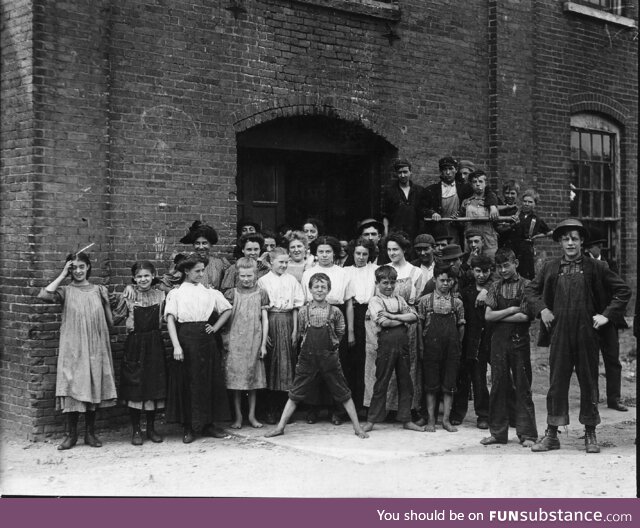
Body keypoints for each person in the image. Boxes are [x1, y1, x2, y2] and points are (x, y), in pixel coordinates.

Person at [526, 219, 631, 453]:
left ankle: (590, 433)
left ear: (582, 241)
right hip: (560, 333)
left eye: (574, 238)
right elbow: (531, 290)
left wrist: (606, 316)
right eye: (566, 239)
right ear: (560, 242)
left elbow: (623, 291)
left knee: (588, 381)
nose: (570, 243)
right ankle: (552, 434)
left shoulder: (597, 267)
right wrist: (542, 309)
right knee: (557, 383)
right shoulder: (551, 267)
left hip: (587, 334)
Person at [264, 273, 369, 439]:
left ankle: (357, 428)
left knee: (343, 392)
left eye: (323, 287)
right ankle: (280, 427)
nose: (320, 290)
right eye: (316, 287)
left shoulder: (335, 311)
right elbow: (300, 333)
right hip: (307, 358)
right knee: (295, 392)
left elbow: (340, 331)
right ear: (310, 289)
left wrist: (332, 346)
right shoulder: (304, 311)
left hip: (329, 358)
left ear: (329, 290)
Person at [37, 252, 117, 450]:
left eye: (82, 266)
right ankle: (71, 435)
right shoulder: (65, 291)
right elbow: (44, 294)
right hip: (72, 346)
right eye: (74, 267)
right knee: (71, 386)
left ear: (88, 267)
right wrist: (63, 273)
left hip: (96, 346)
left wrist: (106, 301)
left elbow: (110, 321)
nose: (79, 271)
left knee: (93, 384)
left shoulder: (99, 290)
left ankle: (90, 434)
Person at [164, 253, 232, 443]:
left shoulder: (209, 292)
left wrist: (216, 327)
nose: (202, 274)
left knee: (209, 380)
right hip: (185, 338)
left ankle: (208, 424)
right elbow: (170, 319)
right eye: (197, 271)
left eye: (203, 270)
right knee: (189, 382)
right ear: (186, 271)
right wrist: (177, 346)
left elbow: (227, 309)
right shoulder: (176, 293)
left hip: (206, 339)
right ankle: (189, 427)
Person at [480, 249, 538, 447]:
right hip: (498, 342)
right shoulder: (495, 287)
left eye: (507, 265)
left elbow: (525, 316)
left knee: (522, 386)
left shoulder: (527, 286)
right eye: (499, 266)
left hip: (519, 341)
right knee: (498, 386)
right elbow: (487, 316)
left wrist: (501, 314)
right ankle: (497, 433)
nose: (503, 270)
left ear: (516, 263)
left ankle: (527, 434)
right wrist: (512, 309)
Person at [364, 232, 423, 416]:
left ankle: (407, 410)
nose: (392, 253)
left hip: (407, 323)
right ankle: (385, 410)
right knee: (383, 366)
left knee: (407, 367)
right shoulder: (383, 269)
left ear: (404, 249)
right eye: (389, 249)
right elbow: (377, 301)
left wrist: (398, 316)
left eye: (395, 249)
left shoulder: (416, 272)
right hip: (385, 325)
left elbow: (417, 303)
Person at [112, 261, 167, 446]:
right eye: (139, 276)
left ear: (153, 276)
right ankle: (136, 429)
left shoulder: (161, 295)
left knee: (153, 386)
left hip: (155, 344)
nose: (143, 279)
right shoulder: (128, 296)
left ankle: (151, 428)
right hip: (135, 344)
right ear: (134, 278)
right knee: (134, 386)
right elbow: (114, 319)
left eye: (146, 275)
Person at [301, 236, 355, 424]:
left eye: (328, 251)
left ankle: (337, 411)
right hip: (314, 320)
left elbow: (348, 303)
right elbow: (305, 303)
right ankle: (312, 409)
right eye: (321, 251)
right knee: (313, 367)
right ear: (316, 253)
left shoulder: (342, 273)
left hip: (335, 319)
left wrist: (350, 332)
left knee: (336, 368)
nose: (324, 255)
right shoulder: (308, 273)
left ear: (334, 253)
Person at [257, 248, 305, 423]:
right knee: (272, 364)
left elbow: (295, 307)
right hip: (270, 321)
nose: (284, 265)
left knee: (288, 365)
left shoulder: (291, 280)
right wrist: (265, 332)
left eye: (286, 262)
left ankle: (285, 410)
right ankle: (270, 409)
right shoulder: (262, 281)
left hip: (288, 321)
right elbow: (261, 310)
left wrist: (295, 330)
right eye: (280, 262)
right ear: (271, 263)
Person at [417, 263, 465, 432]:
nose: (445, 284)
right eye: (442, 280)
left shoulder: (457, 303)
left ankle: (445, 420)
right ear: (435, 279)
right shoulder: (425, 301)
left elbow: (461, 325)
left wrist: (457, 344)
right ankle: (431, 420)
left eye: (449, 281)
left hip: (451, 348)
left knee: (449, 384)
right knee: (431, 384)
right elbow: (420, 326)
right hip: (431, 347)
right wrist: (421, 346)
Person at [223, 258, 269, 429]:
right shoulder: (231, 294)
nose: (246, 279)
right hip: (235, 342)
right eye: (243, 276)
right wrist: (226, 339)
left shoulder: (262, 293)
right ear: (237, 275)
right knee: (236, 383)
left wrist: (263, 344)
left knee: (252, 380)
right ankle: (238, 417)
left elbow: (264, 320)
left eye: (250, 275)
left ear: (256, 275)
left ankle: (252, 415)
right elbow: (226, 318)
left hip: (254, 340)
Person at [584, 229, 627, 412]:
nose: (596, 248)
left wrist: (609, 314)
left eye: (598, 245)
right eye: (594, 245)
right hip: (588, 321)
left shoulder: (609, 264)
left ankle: (614, 399)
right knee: (589, 361)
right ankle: (592, 399)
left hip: (608, 320)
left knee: (612, 360)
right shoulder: (582, 265)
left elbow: (620, 290)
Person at [450, 255, 493, 429]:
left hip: (484, 340)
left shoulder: (493, 290)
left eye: (485, 271)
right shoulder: (466, 291)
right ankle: (457, 412)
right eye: (477, 271)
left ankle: (483, 414)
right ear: (472, 271)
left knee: (479, 378)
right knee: (462, 378)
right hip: (467, 338)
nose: (481, 275)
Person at [343, 237, 378, 414]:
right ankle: (353, 405)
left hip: (371, 313)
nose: (361, 257)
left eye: (365, 254)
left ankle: (367, 405)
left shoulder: (375, 270)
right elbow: (347, 300)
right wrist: (350, 330)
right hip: (353, 314)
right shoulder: (346, 271)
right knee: (353, 360)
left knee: (369, 360)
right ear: (353, 253)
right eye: (358, 253)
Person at [421, 157, 476, 245]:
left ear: (456, 170)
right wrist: (432, 213)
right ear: (440, 171)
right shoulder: (431, 190)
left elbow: (481, 194)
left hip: (457, 229)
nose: (448, 172)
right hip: (439, 229)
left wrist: (460, 214)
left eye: (451, 169)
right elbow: (422, 208)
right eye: (444, 169)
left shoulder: (465, 189)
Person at [499, 189, 552, 279]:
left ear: (535, 204)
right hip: (512, 249)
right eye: (525, 201)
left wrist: (536, 236)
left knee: (526, 275)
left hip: (526, 250)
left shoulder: (536, 219)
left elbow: (549, 232)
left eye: (530, 202)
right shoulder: (515, 214)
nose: (527, 204)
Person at [459, 170, 500, 259]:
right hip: (471, 241)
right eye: (475, 182)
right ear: (471, 184)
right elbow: (460, 220)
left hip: (488, 241)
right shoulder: (466, 202)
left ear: (485, 183)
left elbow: (498, 223)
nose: (478, 184)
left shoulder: (492, 201)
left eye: (480, 181)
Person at [179, 220, 230, 290]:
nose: (201, 247)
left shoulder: (220, 263)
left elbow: (226, 287)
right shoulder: (187, 262)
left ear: (210, 244)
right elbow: (165, 285)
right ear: (193, 245)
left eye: (204, 243)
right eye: (197, 243)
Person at [381, 159, 424, 240]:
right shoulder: (390, 191)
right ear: (396, 174)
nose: (402, 175)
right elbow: (385, 215)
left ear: (410, 172)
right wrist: (386, 233)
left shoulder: (419, 190)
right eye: (400, 172)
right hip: (396, 233)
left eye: (405, 172)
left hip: (415, 234)